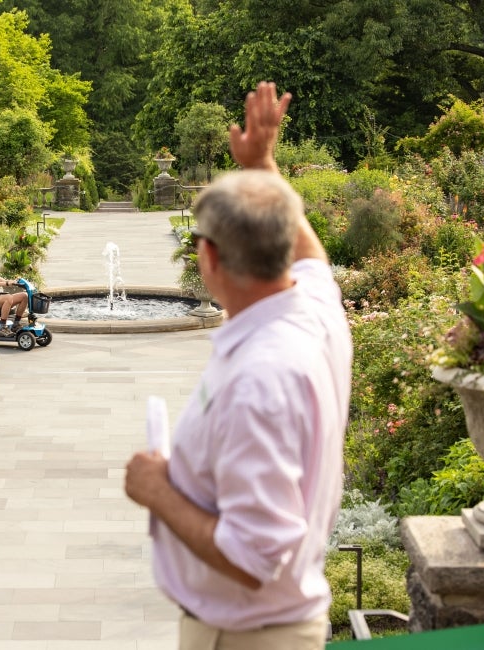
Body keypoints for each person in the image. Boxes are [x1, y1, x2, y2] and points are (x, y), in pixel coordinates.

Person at [124, 82, 352, 650]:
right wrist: (263, 165)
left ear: (209, 258)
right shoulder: (315, 312)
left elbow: (254, 556)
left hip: (248, 635)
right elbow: (313, 256)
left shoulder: (261, 382)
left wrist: (158, 492)